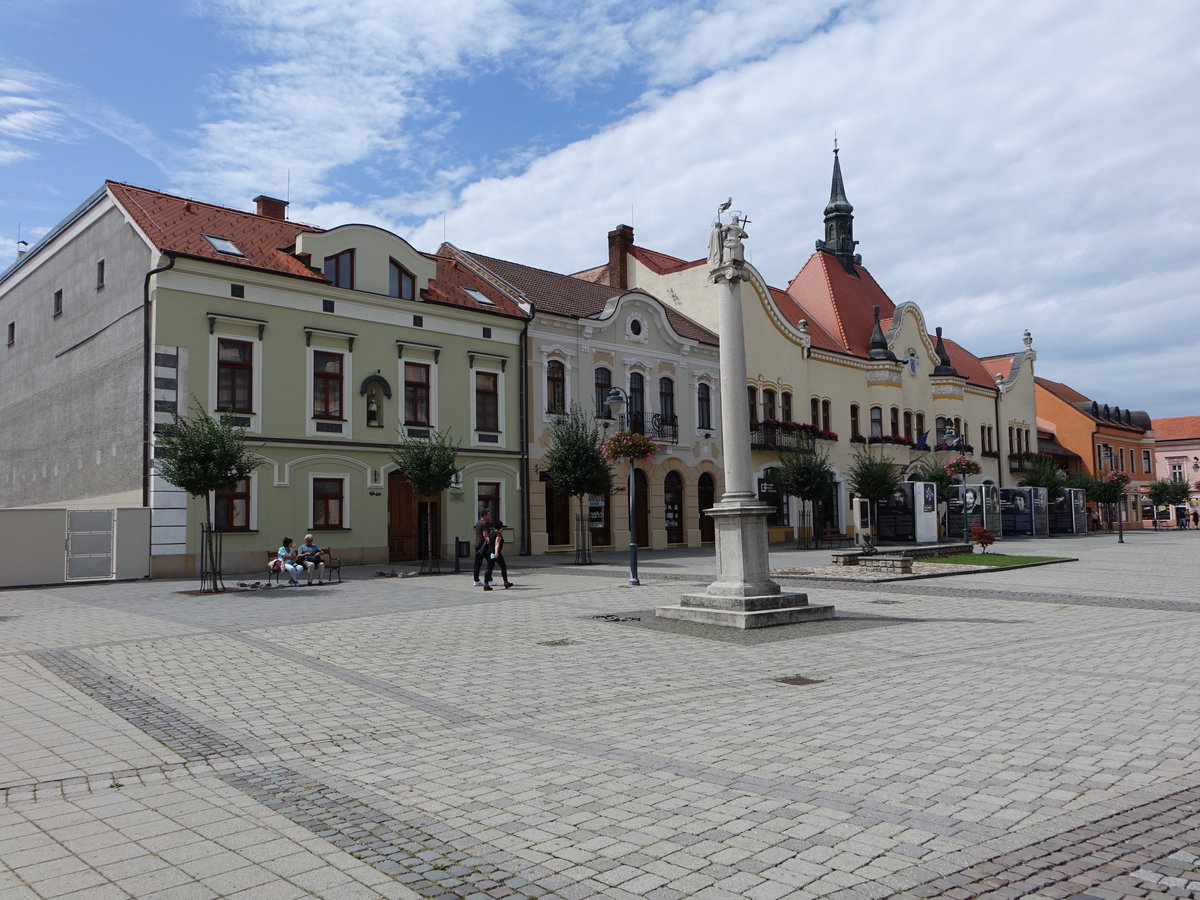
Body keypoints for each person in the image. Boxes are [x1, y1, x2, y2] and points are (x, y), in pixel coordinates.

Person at [482, 522, 512, 591]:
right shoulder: (498, 535)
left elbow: (488, 541)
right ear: (500, 528)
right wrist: (496, 553)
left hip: (489, 552)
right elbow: (497, 543)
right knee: (503, 566)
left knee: (489, 568)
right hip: (495, 553)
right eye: (502, 528)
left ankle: (486, 584)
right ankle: (506, 583)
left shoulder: (491, 533)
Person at [472, 508, 492, 586]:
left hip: (477, 544)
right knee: (490, 562)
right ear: (484, 515)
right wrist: (490, 543)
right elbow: (485, 535)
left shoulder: (478, 523)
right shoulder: (485, 523)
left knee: (478, 563)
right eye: (488, 514)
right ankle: (489, 579)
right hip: (484, 545)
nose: (489, 516)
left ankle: (476, 580)